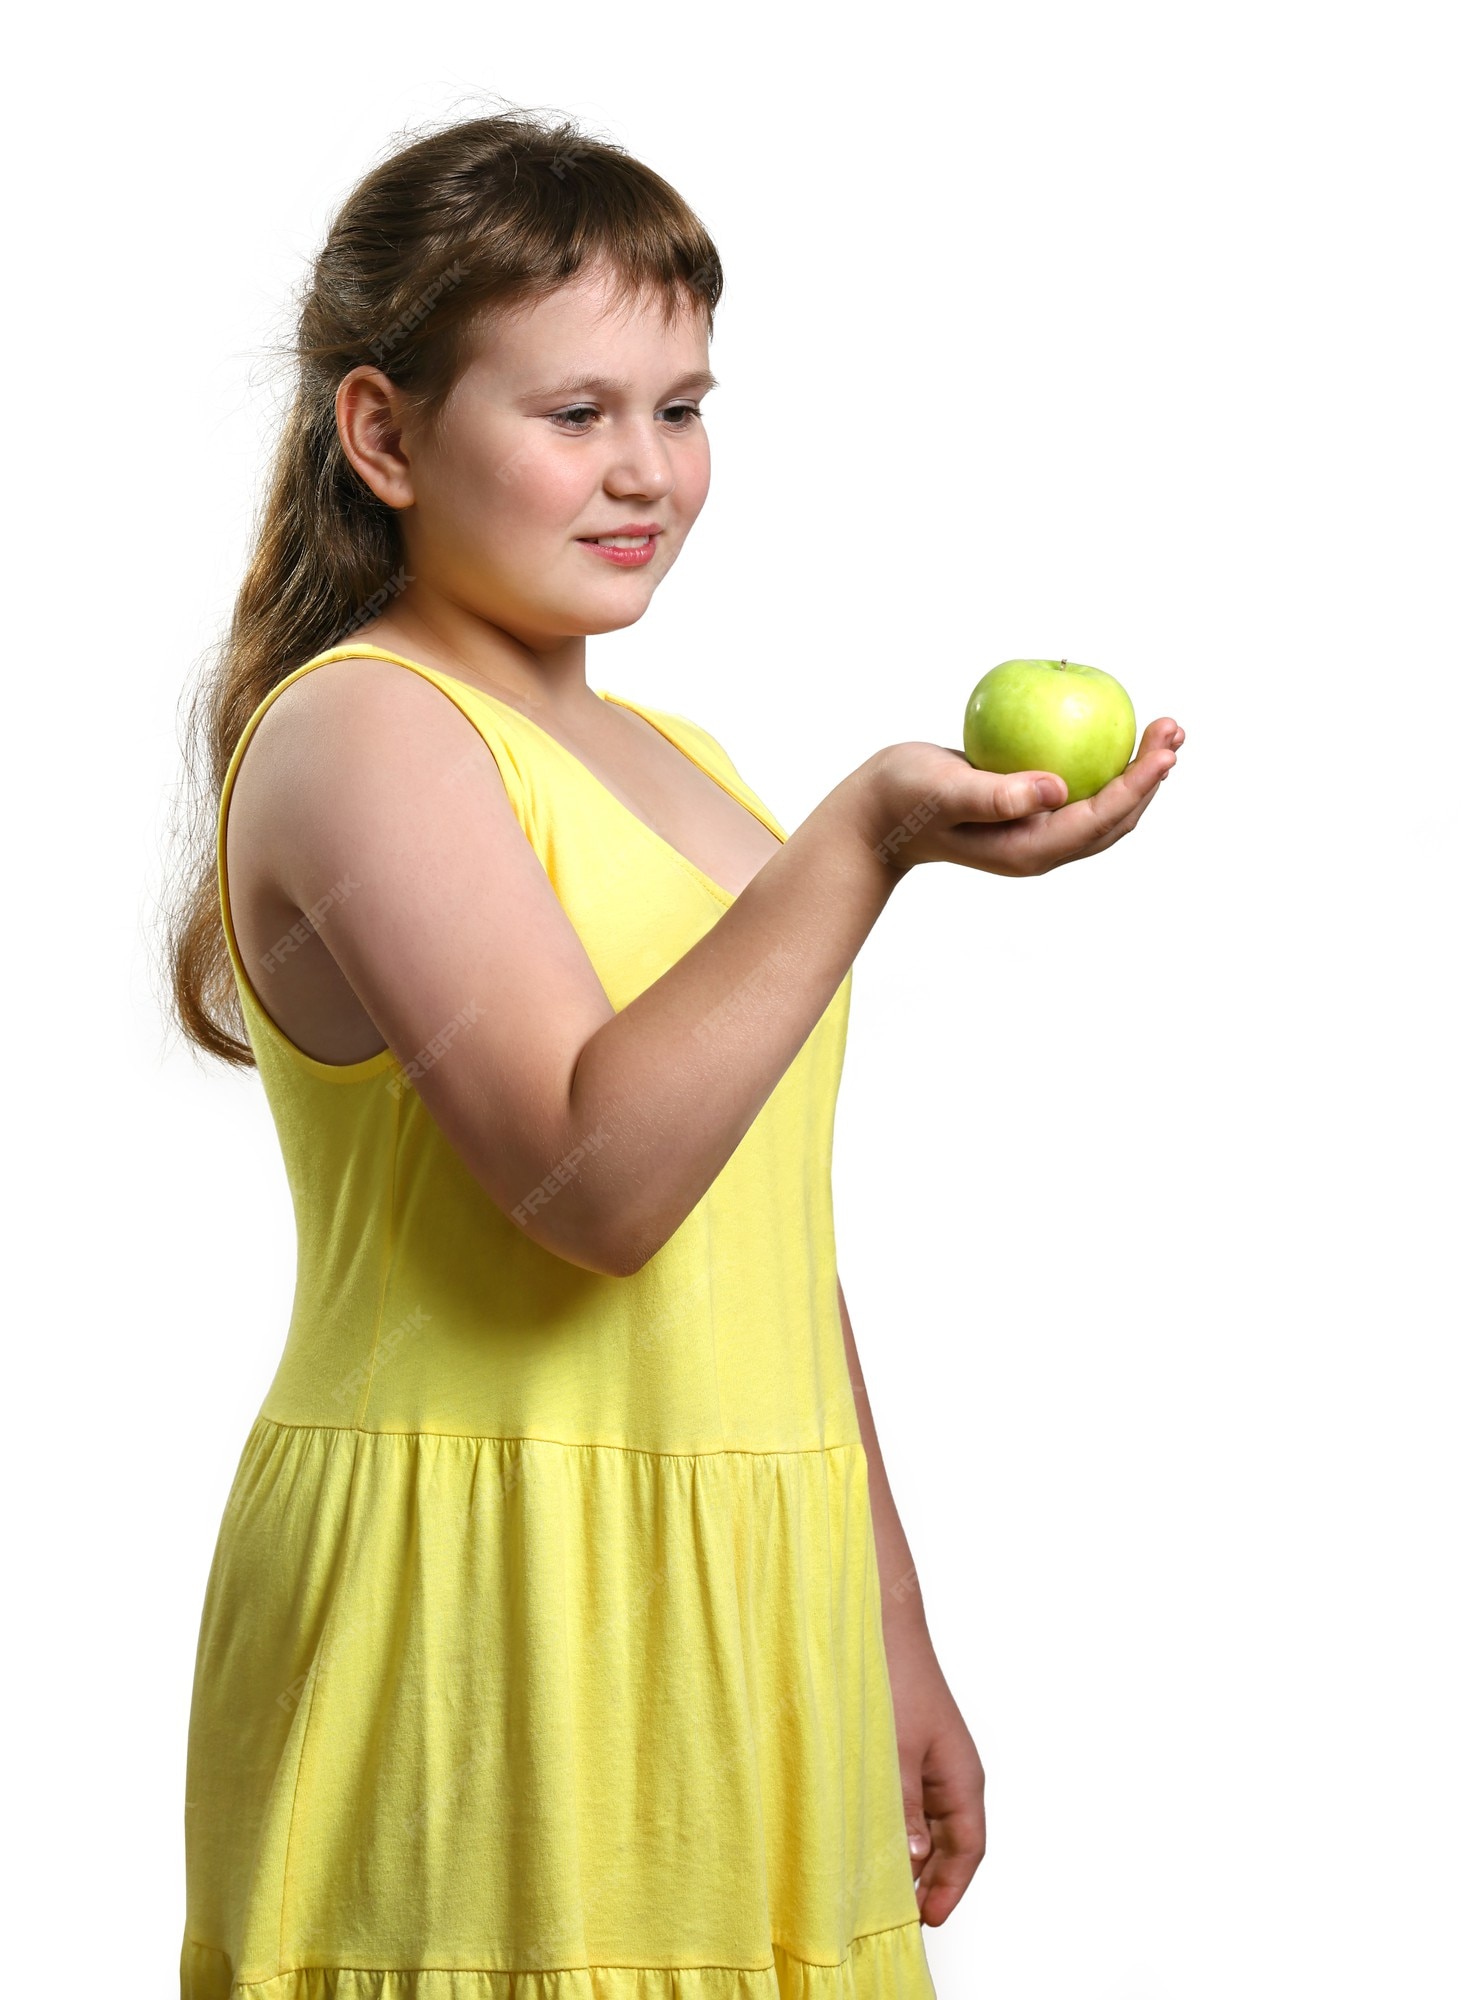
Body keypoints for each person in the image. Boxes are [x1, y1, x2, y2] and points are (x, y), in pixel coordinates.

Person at [164, 104, 1183, 2000]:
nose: (649, 474)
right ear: (383, 433)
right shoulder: (364, 731)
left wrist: (888, 1616)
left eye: (683, 407)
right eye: (577, 415)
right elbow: (598, 1182)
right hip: (486, 1596)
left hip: (740, 1586)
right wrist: (868, 841)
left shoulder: (690, 771)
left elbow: (757, 1226)